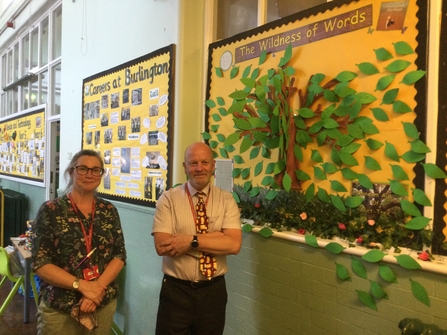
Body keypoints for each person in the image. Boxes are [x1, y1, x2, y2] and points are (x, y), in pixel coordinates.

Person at [32, 149, 127, 335]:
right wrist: (82, 286)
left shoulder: (109, 210)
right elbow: (41, 263)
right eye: (83, 168)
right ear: (71, 172)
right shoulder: (51, 210)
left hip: (101, 303)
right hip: (61, 307)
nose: (89, 174)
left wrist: (96, 289)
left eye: (96, 170)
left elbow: (119, 255)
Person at [152, 142, 242, 335]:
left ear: (213, 166)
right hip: (176, 291)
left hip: (214, 292)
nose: (199, 168)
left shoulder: (227, 200)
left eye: (204, 162)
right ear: (185, 167)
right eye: (193, 163)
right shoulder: (168, 199)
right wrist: (217, 239)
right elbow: (162, 246)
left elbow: (234, 244)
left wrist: (190, 241)